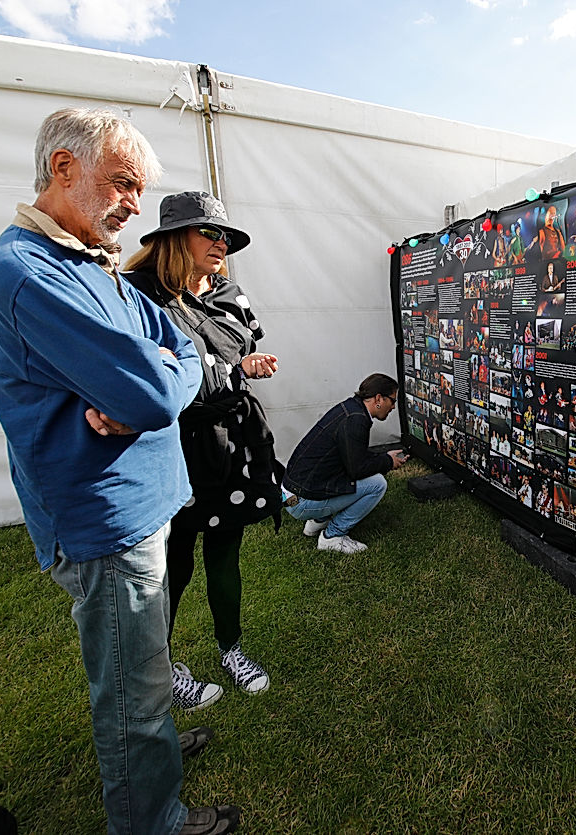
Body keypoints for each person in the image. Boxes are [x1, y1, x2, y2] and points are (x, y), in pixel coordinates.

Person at [0, 108, 237, 833]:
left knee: (141, 670)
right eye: (122, 183)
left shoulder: (88, 258)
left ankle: (147, 753)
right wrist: (156, 382)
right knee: (130, 691)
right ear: (63, 168)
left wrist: (159, 379)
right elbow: (156, 386)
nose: (132, 204)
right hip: (105, 520)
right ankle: (153, 816)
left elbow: (180, 350)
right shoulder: (21, 271)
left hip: (139, 505)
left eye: (139, 189)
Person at [123, 191, 282, 706]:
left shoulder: (230, 293)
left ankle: (231, 648)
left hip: (233, 443)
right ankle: (159, 668)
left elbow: (244, 346)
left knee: (224, 552)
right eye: (208, 233)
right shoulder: (139, 295)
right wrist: (230, 372)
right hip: (173, 447)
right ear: (174, 238)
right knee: (168, 565)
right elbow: (155, 378)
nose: (220, 243)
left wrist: (245, 367)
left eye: (225, 236)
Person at [283, 374, 409, 553]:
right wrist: (388, 462)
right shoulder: (356, 420)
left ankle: (318, 522)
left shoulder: (350, 409)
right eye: (392, 401)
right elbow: (357, 469)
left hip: (291, 494)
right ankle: (332, 536)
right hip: (302, 502)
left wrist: (384, 457)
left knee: (339, 472)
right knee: (377, 485)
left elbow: (353, 455)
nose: (394, 407)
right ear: (379, 398)